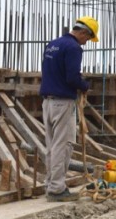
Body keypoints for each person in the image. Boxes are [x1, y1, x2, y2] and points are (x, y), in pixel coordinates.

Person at [40, 16, 99, 202]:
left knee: (51, 145)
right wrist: (85, 85)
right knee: (62, 146)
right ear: (83, 33)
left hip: (48, 102)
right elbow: (72, 78)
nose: (86, 42)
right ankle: (57, 189)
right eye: (87, 39)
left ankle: (50, 184)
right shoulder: (73, 48)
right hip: (62, 102)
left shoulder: (53, 44)